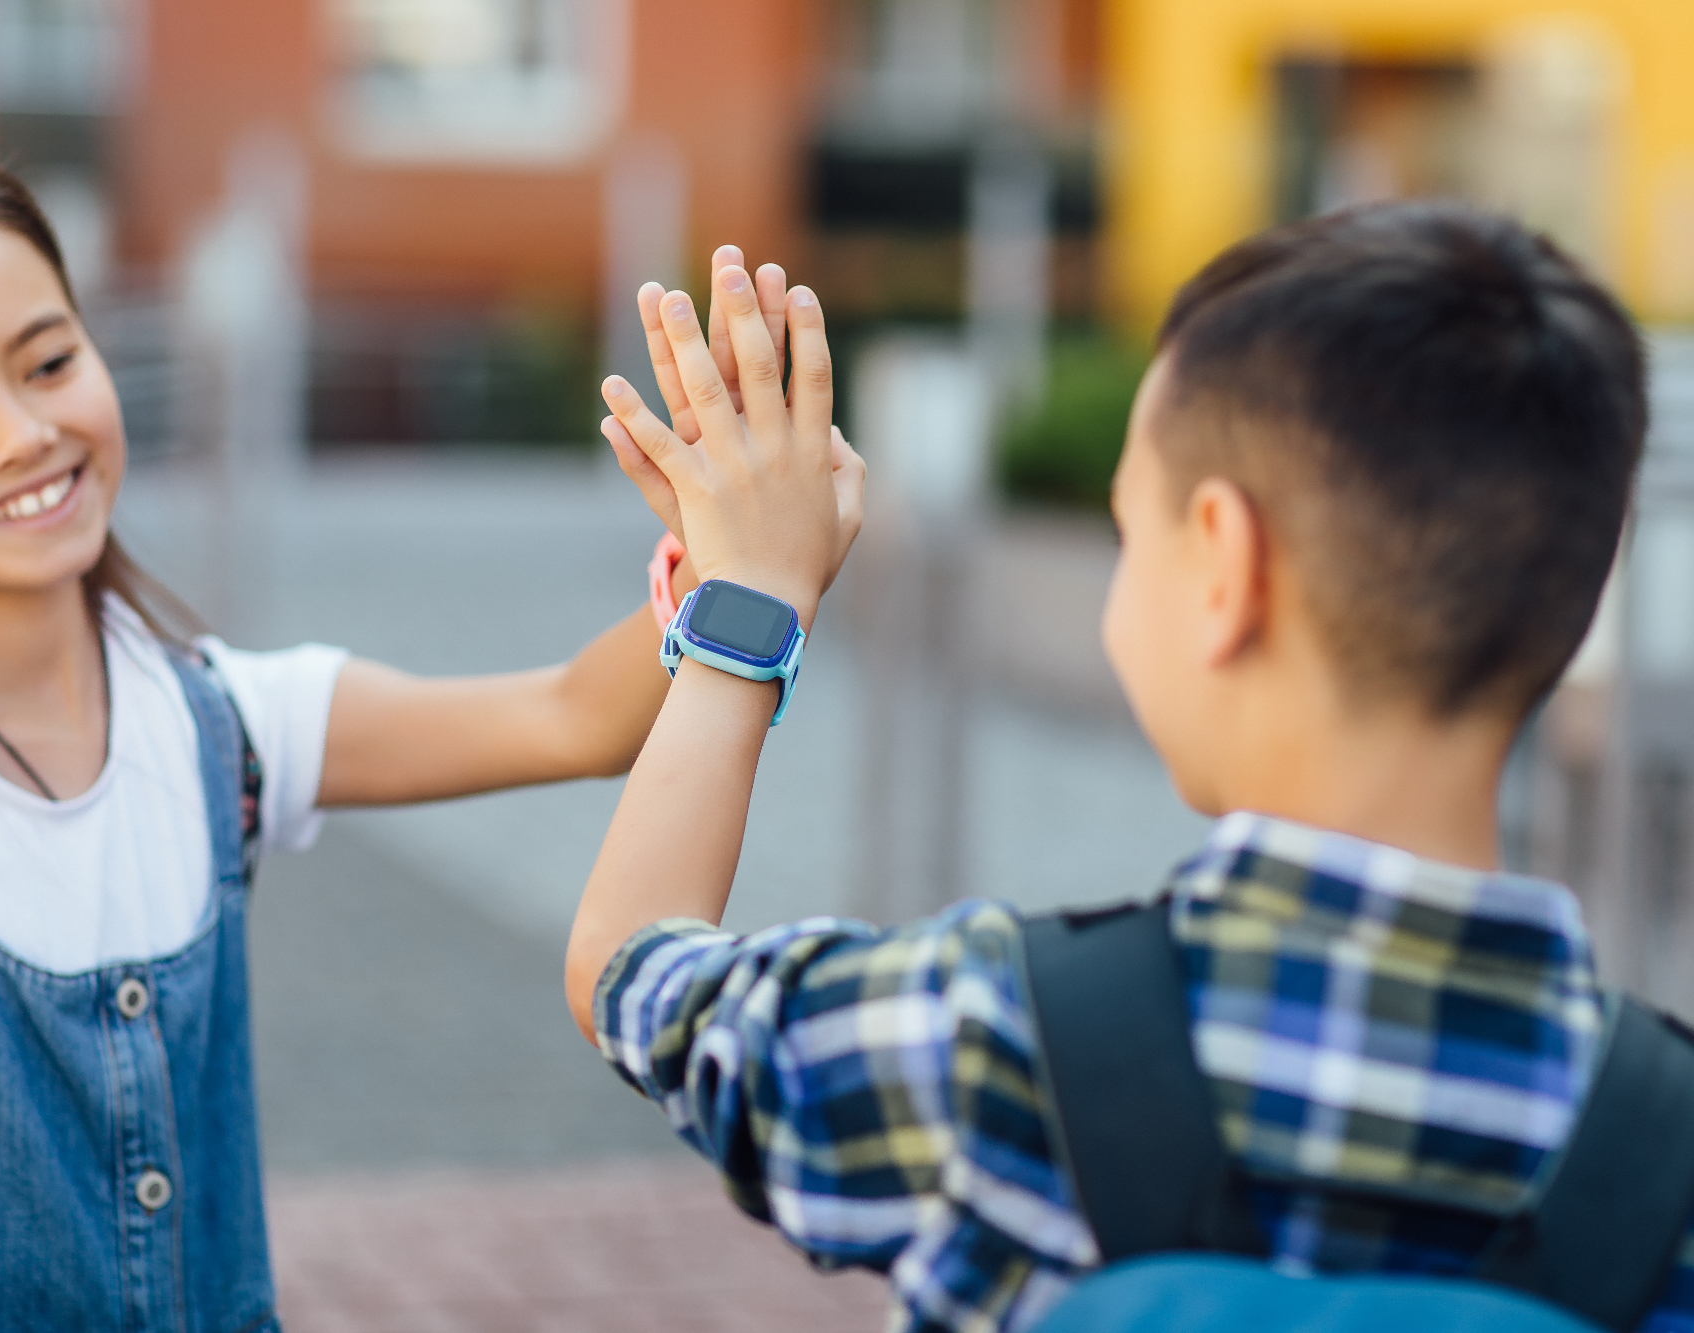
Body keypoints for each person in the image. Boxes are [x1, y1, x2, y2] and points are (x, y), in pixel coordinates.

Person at [569, 201, 1692, 1330]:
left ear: (1224, 564)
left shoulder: (990, 1038)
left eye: (1128, 530)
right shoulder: (1666, 1143)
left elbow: (631, 964)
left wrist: (749, 602)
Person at [0, 143, 755, 1333]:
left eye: (48, 361)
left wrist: (736, 556)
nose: (18, 435)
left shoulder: (215, 722)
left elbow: (571, 714)